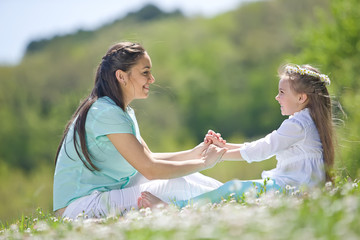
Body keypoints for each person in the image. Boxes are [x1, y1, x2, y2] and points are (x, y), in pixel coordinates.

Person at [53, 42, 227, 219]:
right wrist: (204, 162)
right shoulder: (105, 113)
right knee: (174, 183)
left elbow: (148, 158)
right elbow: (150, 169)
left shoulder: (121, 111)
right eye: (145, 72)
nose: (152, 79)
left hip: (108, 193)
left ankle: (240, 192)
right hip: (80, 207)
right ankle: (234, 200)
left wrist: (194, 153)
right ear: (121, 76)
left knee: (189, 178)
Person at [138, 63, 335, 208]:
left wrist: (219, 154)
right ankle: (178, 207)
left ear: (301, 98)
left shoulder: (298, 124)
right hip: (294, 188)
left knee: (233, 189)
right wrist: (223, 146)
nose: (277, 97)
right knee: (233, 191)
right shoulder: (307, 121)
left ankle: (174, 209)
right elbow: (262, 145)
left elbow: (262, 149)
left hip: (291, 190)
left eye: (282, 92)